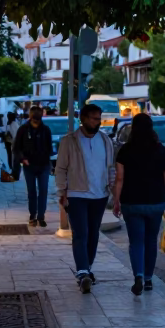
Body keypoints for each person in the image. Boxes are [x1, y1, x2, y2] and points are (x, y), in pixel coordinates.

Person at [55, 103, 115, 293]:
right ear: (83, 119)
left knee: (93, 234)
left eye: (99, 118)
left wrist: (112, 190)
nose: (98, 122)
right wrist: (62, 193)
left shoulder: (106, 140)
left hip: (100, 194)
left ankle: (87, 269)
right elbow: (60, 168)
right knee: (80, 233)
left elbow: (110, 168)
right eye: (94, 118)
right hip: (76, 193)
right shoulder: (69, 141)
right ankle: (82, 272)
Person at [112, 113, 165, 295]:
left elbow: (120, 179)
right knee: (151, 241)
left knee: (136, 242)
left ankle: (138, 275)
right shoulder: (161, 150)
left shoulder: (125, 151)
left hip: (132, 202)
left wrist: (116, 201)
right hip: (156, 202)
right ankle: (148, 279)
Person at [13, 105, 53, 227]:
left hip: (44, 165)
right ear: (30, 117)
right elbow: (16, 148)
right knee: (31, 191)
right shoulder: (23, 130)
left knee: (43, 190)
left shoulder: (46, 130)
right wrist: (23, 159)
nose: (36, 122)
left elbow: (50, 148)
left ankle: (41, 216)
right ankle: (32, 215)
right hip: (29, 166)